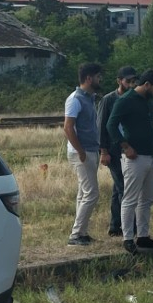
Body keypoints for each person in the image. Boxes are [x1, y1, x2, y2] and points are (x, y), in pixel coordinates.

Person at [108, 68, 153, 252]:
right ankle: (127, 238)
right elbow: (111, 125)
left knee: (147, 199)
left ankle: (143, 236)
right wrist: (125, 146)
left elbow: (149, 124)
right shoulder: (125, 100)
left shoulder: (149, 101)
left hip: (151, 155)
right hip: (135, 157)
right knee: (130, 198)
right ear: (147, 84)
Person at [61, 62, 104, 246]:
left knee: (83, 193)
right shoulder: (75, 99)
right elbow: (68, 127)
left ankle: (82, 233)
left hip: (89, 150)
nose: (100, 80)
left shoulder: (90, 98)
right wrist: (80, 151)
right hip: (82, 152)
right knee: (92, 193)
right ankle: (76, 234)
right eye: (98, 77)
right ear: (89, 78)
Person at [97, 66, 137, 239]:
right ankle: (131, 226)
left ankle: (115, 226)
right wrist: (103, 151)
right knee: (124, 187)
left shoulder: (134, 98)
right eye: (128, 81)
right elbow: (101, 126)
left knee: (118, 188)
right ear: (119, 81)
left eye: (133, 81)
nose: (131, 84)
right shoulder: (108, 100)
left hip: (127, 148)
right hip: (113, 149)